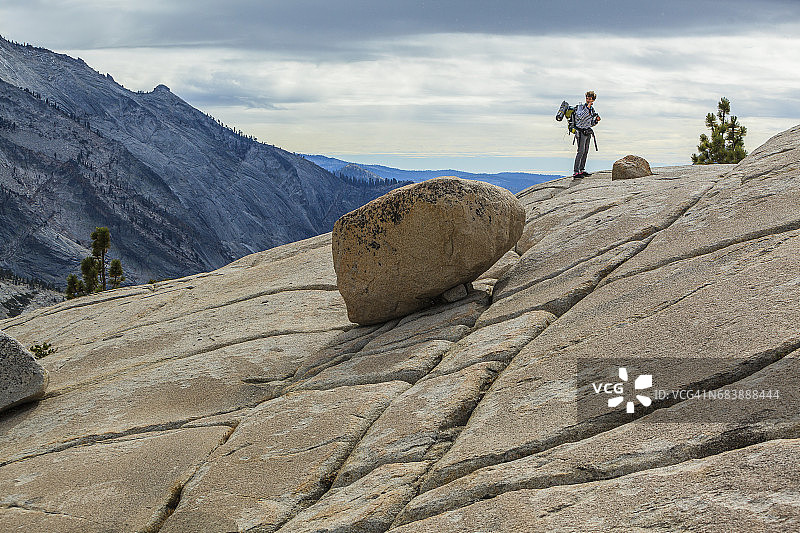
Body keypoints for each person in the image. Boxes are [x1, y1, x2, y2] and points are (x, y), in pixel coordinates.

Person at [572, 91, 601, 178]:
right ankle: (576, 172)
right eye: (587, 98)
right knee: (580, 151)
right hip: (580, 132)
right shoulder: (581, 107)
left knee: (585, 151)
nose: (588, 100)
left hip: (587, 131)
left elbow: (590, 122)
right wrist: (587, 107)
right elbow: (581, 117)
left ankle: (582, 169)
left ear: (593, 100)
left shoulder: (592, 110)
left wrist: (596, 121)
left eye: (590, 99)